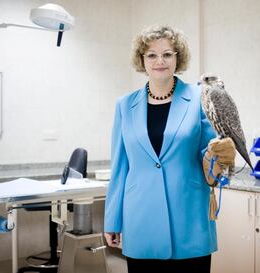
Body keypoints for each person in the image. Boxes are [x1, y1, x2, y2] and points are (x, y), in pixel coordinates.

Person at [104, 25, 236, 273]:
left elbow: (208, 157)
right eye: (151, 55)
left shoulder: (200, 97)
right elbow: (120, 167)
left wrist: (219, 156)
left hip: (189, 219)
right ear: (142, 60)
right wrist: (112, 219)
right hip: (140, 219)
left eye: (167, 54)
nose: (159, 61)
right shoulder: (124, 105)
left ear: (178, 58)